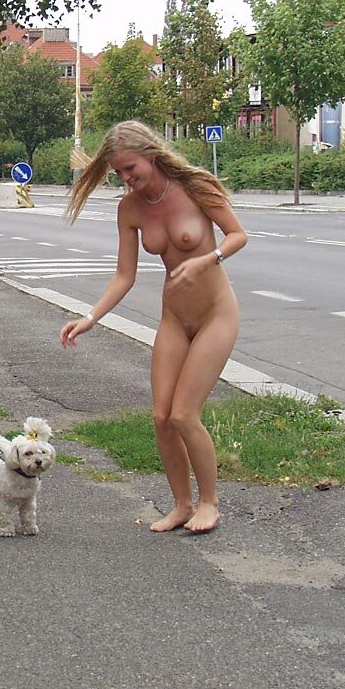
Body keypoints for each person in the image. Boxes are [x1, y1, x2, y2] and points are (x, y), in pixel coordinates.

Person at [58, 121, 247, 534]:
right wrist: (90, 317)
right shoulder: (130, 209)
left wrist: (207, 259)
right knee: (162, 417)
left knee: (184, 415)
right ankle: (182, 505)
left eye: (131, 168)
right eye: (119, 172)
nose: (126, 178)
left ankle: (210, 503)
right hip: (174, 320)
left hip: (216, 315)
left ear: (151, 155)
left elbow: (237, 235)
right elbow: (124, 275)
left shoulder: (196, 187)